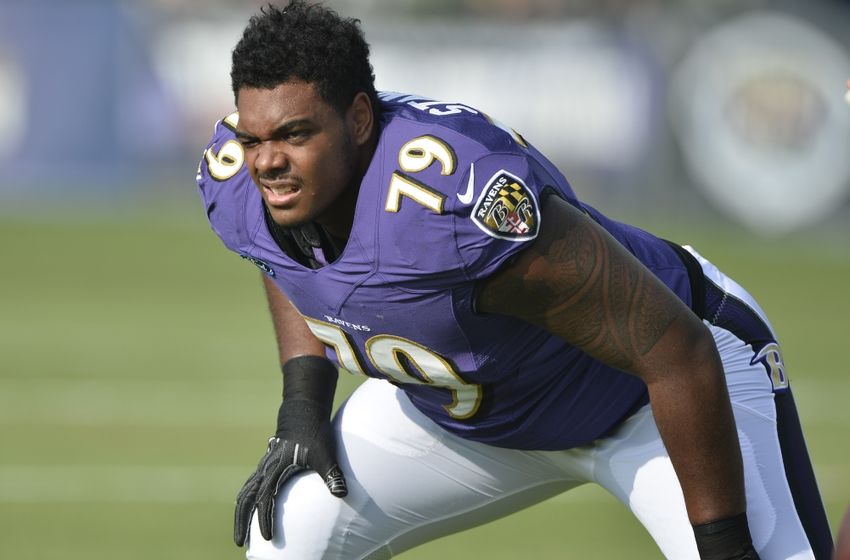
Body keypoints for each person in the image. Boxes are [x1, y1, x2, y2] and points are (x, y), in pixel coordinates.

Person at [195, 2, 833, 558]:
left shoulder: (447, 204)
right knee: (288, 532)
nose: (268, 161)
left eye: (295, 134)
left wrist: (723, 549)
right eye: (254, 139)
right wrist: (301, 406)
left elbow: (676, 352)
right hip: (473, 417)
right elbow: (279, 258)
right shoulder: (242, 180)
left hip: (648, 396)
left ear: (359, 119)